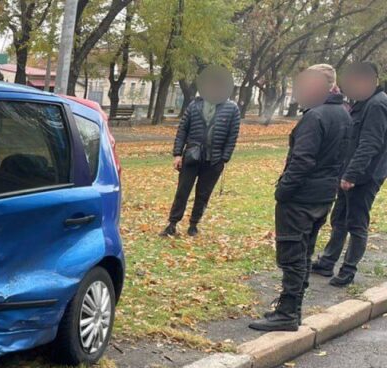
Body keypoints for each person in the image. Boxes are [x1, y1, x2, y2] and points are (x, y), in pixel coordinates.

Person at [249, 66, 350, 332]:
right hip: (323, 196)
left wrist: (283, 190)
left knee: (293, 256)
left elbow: (302, 161)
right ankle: (291, 308)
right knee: (304, 254)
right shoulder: (342, 113)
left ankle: (287, 313)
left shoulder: (316, 117)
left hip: (301, 199)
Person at [311, 61, 387, 287]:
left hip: (365, 176)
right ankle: (327, 261)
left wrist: (351, 175)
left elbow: (370, 144)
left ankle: (348, 270)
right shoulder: (363, 103)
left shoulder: (377, 105)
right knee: (339, 219)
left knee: (356, 223)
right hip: (350, 172)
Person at [161, 65, 241, 237]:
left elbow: (232, 136)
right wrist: (177, 154)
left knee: (203, 194)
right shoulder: (194, 106)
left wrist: (224, 158)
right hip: (191, 156)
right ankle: (172, 223)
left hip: (214, 160)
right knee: (182, 191)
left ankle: (193, 224)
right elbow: (182, 130)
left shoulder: (232, 108)